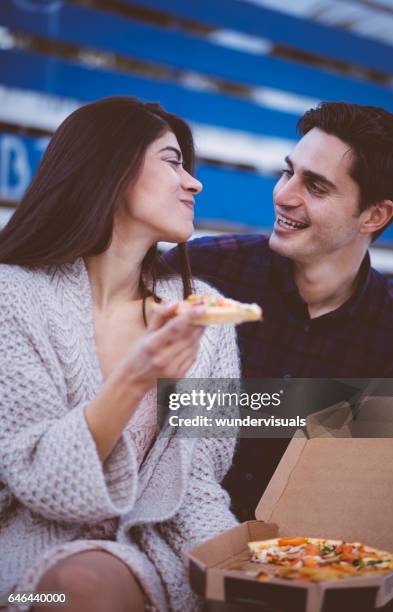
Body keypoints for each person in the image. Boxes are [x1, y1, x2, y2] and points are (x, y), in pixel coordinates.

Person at [0, 97, 240, 612]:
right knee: (81, 589)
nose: (193, 183)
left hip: (157, 564)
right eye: (173, 162)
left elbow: (196, 487)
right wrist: (138, 377)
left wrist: (245, 573)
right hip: (29, 572)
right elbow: (37, 478)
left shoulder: (208, 318)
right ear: (110, 166)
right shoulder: (12, 296)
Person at [164, 102, 393, 521]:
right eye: (287, 171)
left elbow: (371, 488)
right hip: (165, 525)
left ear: (374, 215)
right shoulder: (201, 270)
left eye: (315, 187)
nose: (283, 194)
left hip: (298, 559)